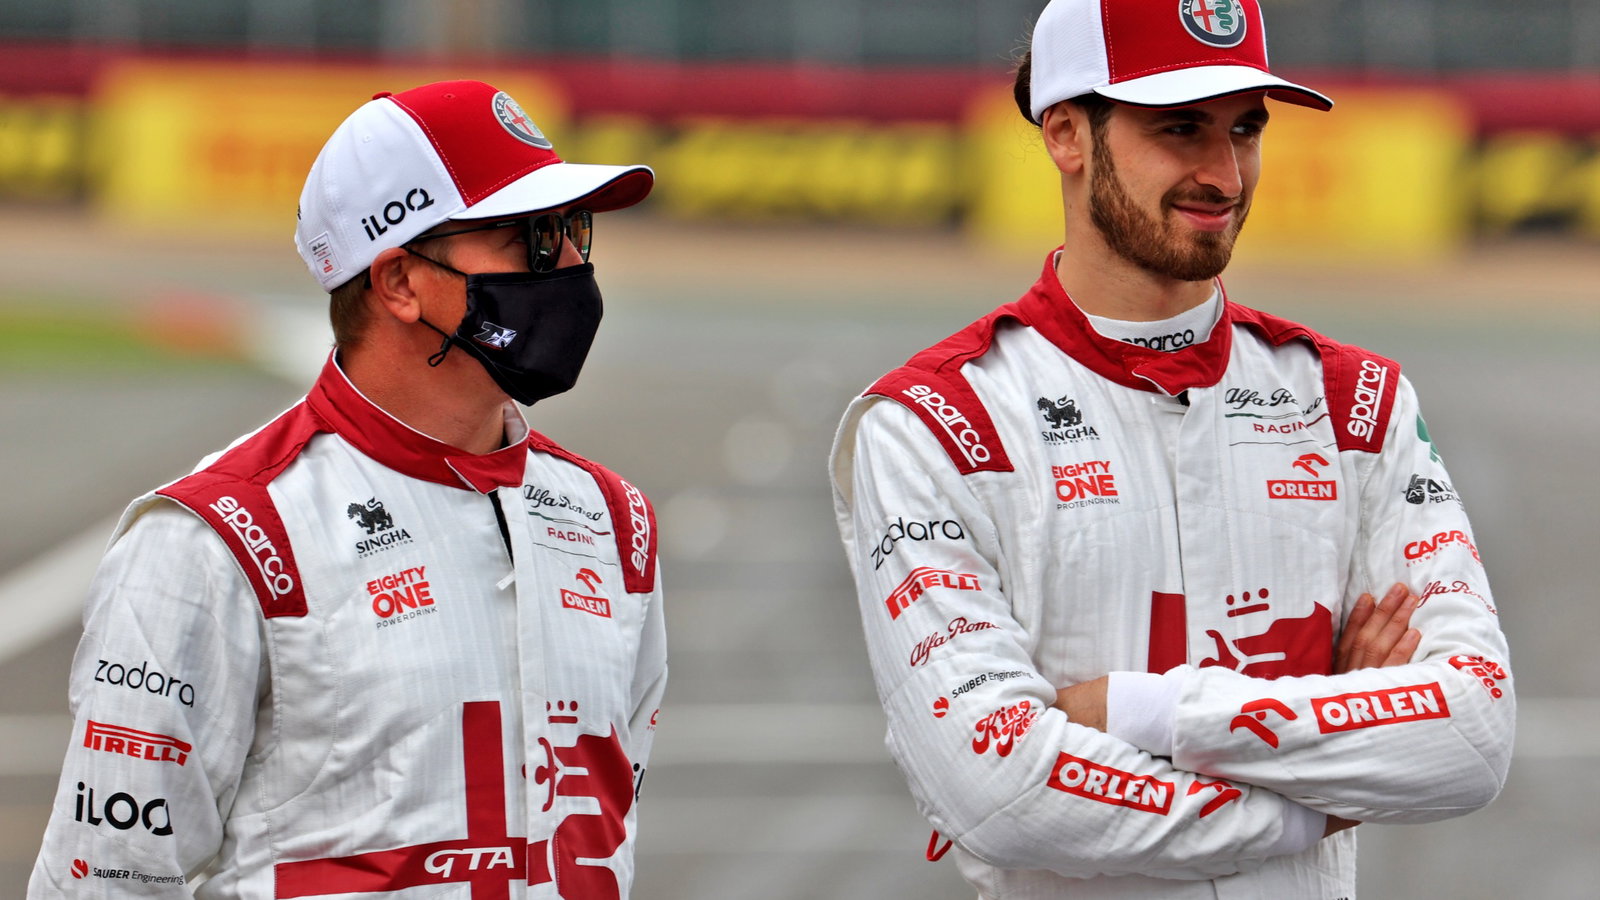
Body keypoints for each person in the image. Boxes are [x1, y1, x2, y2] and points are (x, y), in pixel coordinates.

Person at [828, 1, 1514, 897]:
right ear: (1067, 134)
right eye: (1182, 127)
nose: (1225, 173)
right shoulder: (935, 424)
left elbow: (1471, 738)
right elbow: (996, 790)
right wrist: (1330, 785)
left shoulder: (1356, 403)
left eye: (1246, 129)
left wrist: (1132, 711)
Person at [30, 80, 667, 898]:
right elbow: (104, 881)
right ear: (399, 281)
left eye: (574, 230)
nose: (572, 266)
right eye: (531, 241)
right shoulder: (216, 539)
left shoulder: (615, 525)